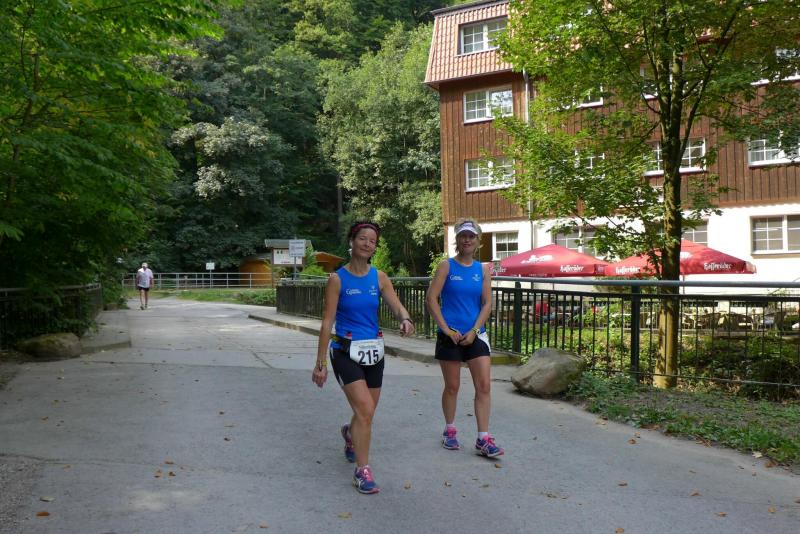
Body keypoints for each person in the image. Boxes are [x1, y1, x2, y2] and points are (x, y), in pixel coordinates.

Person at [312, 221, 415, 494]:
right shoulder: (337, 279)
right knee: (366, 410)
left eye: (372, 241)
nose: (367, 244)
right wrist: (320, 363)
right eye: (362, 238)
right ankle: (363, 471)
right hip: (345, 351)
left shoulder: (379, 277)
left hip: (374, 351)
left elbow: (397, 305)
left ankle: (350, 433)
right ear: (352, 241)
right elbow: (327, 322)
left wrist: (405, 318)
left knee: (366, 412)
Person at [426, 218, 504, 458]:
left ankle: (483, 438)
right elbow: (431, 298)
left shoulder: (482, 270)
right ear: (457, 240)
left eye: (471, 236)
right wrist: (446, 329)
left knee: (484, 386)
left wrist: (475, 330)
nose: (467, 240)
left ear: (478, 241)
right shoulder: (446, 266)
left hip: (476, 334)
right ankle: (450, 430)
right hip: (450, 335)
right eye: (463, 236)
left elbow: (487, 303)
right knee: (452, 386)